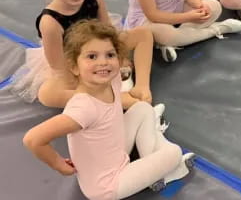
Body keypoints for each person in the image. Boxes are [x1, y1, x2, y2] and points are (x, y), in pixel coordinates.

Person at [23, 20, 194, 200]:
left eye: (110, 55)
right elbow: (33, 139)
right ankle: (163, 164)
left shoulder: (112, 80)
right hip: (108, 185)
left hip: (116, 150)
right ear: (74, 66)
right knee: (173, 152)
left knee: (142, 108)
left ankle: (153, 164)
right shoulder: (83, 107)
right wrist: (59, 164)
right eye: (92, 57)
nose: (103, 63)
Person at [3, 0, 153, 108]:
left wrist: (118, 57)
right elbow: (58, 66)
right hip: (73, 62)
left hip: (101, 46)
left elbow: (108, 31)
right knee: (47, 94)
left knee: (143, 34)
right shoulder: (50, 22)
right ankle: (113, 100)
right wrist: (86, 78)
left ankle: (142, 87)